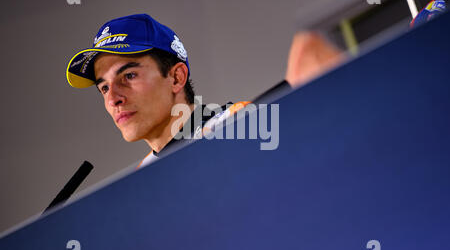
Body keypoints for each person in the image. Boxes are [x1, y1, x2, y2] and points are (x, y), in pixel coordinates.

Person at [66, 14, 343, 167]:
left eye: (129, 75)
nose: (113, 97)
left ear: (176, 78)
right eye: (103, 87)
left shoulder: (238, 124)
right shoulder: (142, 173)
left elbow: (311, 56)